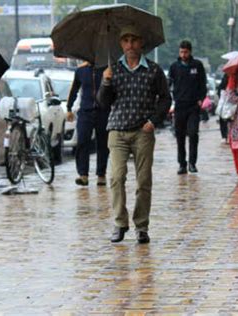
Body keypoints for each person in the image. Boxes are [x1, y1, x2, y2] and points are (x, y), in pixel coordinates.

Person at [97, 26, 171, 244]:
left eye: (134, 40)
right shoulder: (113, 70)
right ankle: (120, 223)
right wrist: (105, 82)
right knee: (116, 177)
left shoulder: (154, 70)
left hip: (142, 132)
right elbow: (103, 102)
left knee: (143, 180)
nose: (130, 45)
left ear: (141, 43)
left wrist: (153, 121)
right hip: (117, 131)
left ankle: (141, 226)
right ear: (121, 44)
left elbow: (166, 99)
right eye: (126, 40)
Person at [67, 62, 109, 186]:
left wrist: (108, 78)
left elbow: (114, 90)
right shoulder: (81, 71)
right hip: (85, 111)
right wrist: (69, 108)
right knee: (82, 141)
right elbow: (74, 90)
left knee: (103, 143)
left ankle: (101, 174)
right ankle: (83, 174)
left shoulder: (107, 70)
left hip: (103, 111)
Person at [168, 40, 207, 174]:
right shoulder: (174, 67)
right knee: (179, 136)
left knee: (193, 133)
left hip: (193, 106)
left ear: (190, 52)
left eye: (186, 52)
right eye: (181, 52)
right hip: (180, 105)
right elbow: (169, 83)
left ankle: (192, 162)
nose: (183, 54)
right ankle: (182, 164)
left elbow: (203, 84)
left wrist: (201, 99)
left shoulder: (197, 65)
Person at [217, 73, 230, 143]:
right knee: (223, 120)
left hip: (233, 103)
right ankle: (225, 136)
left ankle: (227, 136)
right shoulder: (226, 78)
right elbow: (220, 90)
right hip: (225, 103)